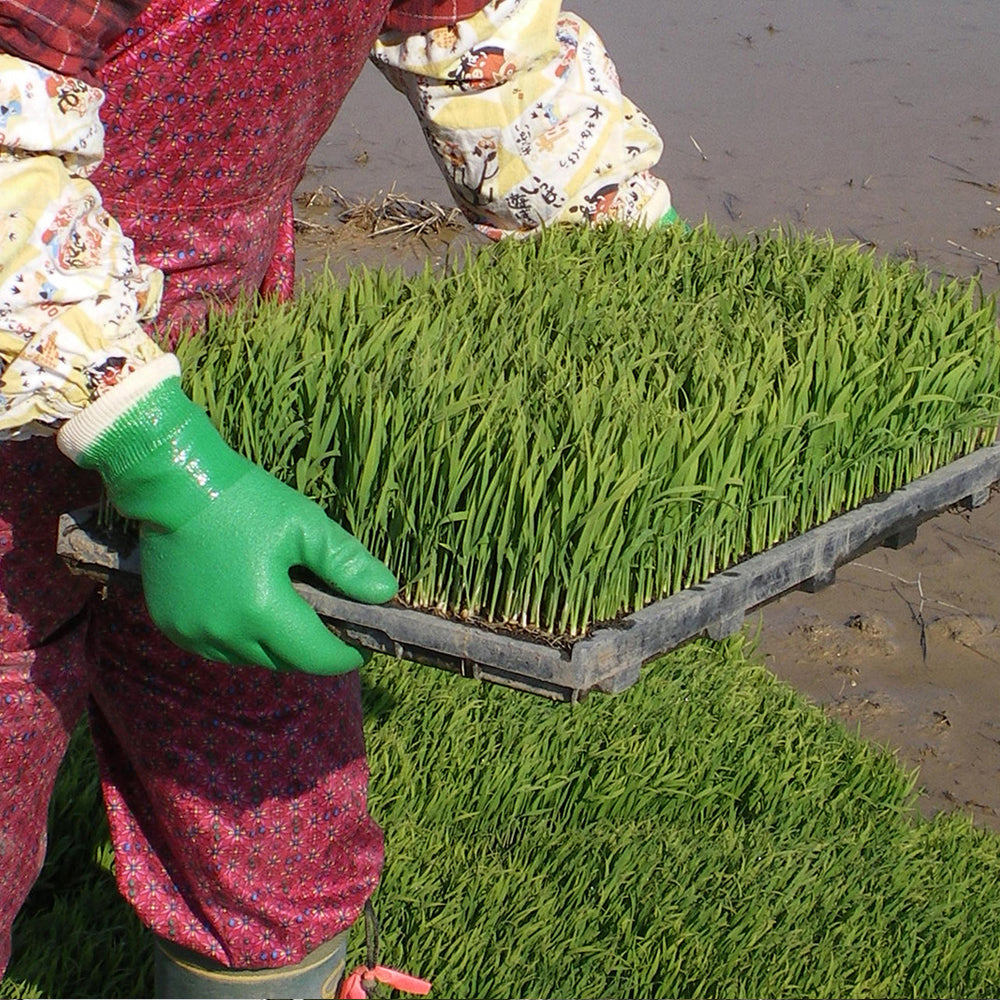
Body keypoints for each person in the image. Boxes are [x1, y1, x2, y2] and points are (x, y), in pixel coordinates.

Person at [0, 1, 678, 996]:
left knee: (267, 783)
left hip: (226, 380)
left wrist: (632, 270)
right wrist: (158, 460)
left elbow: (491, 50)